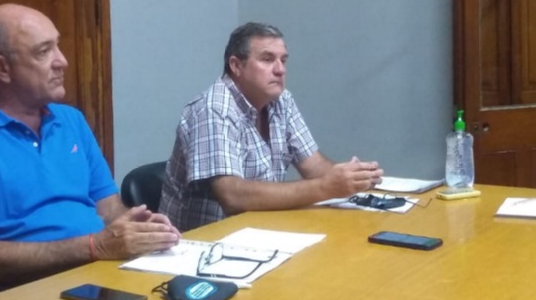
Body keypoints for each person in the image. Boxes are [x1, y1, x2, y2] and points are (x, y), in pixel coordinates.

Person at [0, 4, 179, 300]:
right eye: (43, 52)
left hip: (98, 282)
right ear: (1, 69)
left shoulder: (70, 120)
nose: (62, 61)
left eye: (58, 45)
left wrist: (138, 229)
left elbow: (108, 207)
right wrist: (95, 247)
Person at [161, 22, 384, 232]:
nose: (280, 70)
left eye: (283, 60)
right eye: (267, 59)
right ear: (236, 66)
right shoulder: (213, 109)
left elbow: (314, 165)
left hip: (262, 232)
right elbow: (232, 196)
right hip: (208, 244)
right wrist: (326, 187)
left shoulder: (282, 100)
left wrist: (354, 178)